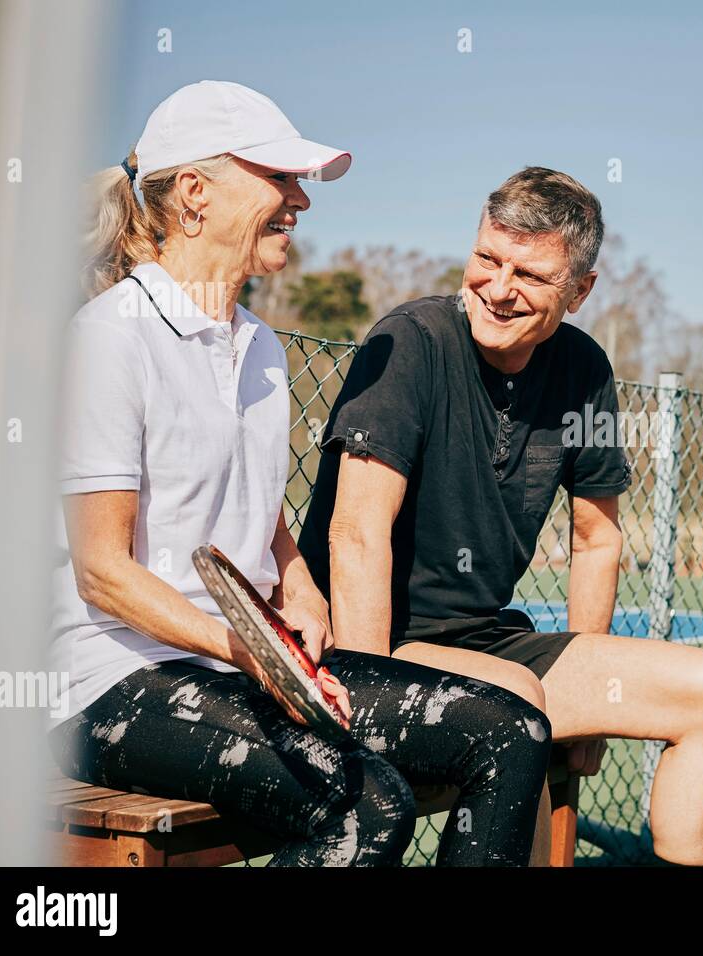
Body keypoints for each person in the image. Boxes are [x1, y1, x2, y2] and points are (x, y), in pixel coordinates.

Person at [50, 81, 552, 866]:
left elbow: (248, 504)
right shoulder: (110, 339)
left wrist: (298, 583)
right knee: (366, 802)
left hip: (237, 666)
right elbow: (102, 573)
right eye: (279, 178)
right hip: (107, 684)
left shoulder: (260, 347)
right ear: (194, 195)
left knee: (510, 731)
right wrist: (248, 649)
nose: (300, 200)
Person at [297, 167, 703, 866]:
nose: (498, 288)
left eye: (530, 275)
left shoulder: (584, 371)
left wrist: (593, 693)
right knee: (518, 701)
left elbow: (598, 538)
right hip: (378, 647)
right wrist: (375, 690)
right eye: (487, 259)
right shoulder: (412, 342)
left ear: (580, 291)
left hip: (488, 643)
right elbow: (356, 535)